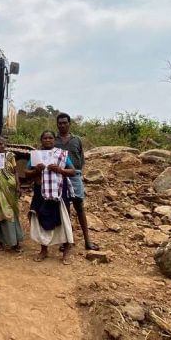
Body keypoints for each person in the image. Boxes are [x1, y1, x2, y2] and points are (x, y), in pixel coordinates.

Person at [26, 130, 76, 265]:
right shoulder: (36, 155)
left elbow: (72, 171)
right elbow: (26, 173)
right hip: (41, 191)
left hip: (59, 191)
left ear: (54, 140)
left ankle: (66, 250)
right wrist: (36, 170)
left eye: (50, 138)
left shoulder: (61, 154)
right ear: (41, 140)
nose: (48, 140)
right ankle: (44, 250)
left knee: (63, 218)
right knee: (42, 217)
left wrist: (60, 170)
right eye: (45, 138)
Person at [55, 113, 99, 251]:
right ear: (57, 125)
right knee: (64, 209)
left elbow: (81, 160)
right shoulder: (54, 140)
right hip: (59, 177)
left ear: (69, 124)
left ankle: (87, 241)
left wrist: (77, 173)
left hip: (75, 176)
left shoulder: (77, 140)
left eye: (65, 123)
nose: (62, 125)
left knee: (79, 207)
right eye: (60, 123)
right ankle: (66, 241)